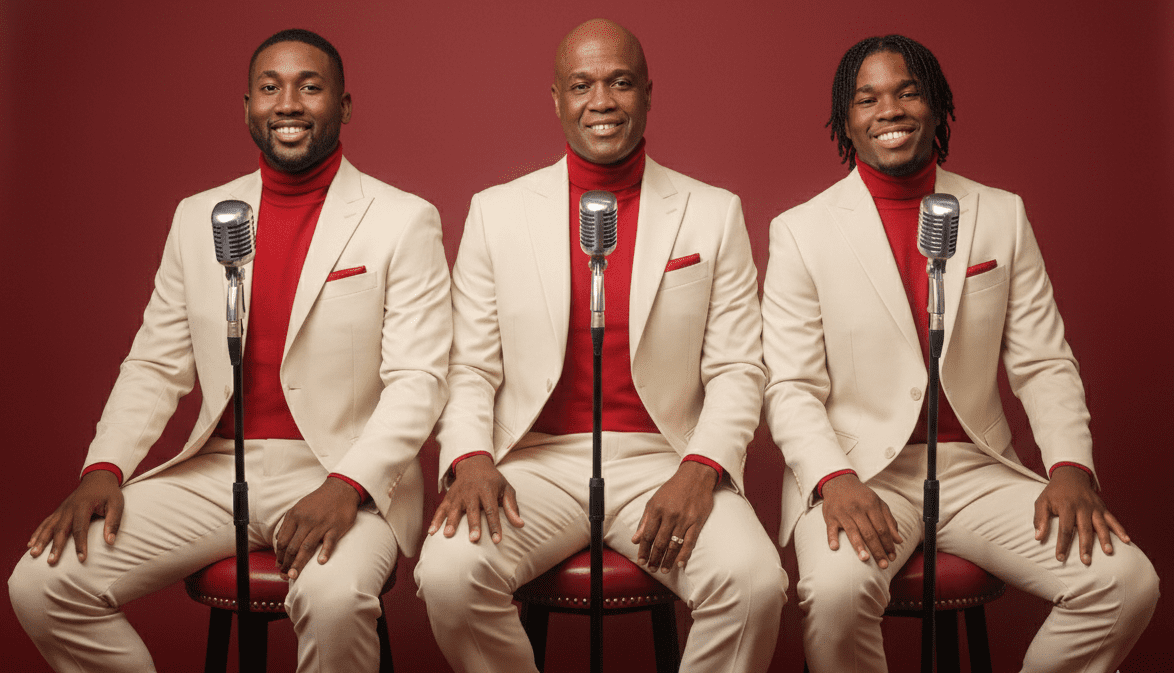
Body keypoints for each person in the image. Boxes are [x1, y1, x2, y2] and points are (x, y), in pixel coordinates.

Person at [8, 28, 450, 673]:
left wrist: (348, 484)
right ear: (248, 107)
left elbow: (419, 378)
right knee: (42, 584)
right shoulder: (199, 217)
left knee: (333, 600)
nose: (288, 103)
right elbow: (156, 362)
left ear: (345, 105)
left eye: (310, 87)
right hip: (220, 471)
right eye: (270, 88)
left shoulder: (402, 219)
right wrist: (103, 467)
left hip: (341, 473)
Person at [762, 34, 1158, 672]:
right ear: (846, 120)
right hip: (861, 473)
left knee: (1126, 583)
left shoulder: (1001, 214)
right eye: (868, 99)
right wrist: (834, 480)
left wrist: (1070, 467)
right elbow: (790, 385)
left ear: (937, 105)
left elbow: (1044, 362)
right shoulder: (801, 231)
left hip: (977, 470)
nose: (889, 111)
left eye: (907, 92)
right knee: (835, 594)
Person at [414, 18, 786, 673]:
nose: (602, 101)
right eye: (582, 85)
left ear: (648, 93)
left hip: (666, 458)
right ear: (556, 99)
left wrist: (701, 468)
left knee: (755, 584)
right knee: (447, 576)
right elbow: (470, 365)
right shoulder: (496, 212)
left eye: (620, 83)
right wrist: (470, 457)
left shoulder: (712, 211)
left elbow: (737, 368)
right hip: (535, 460)